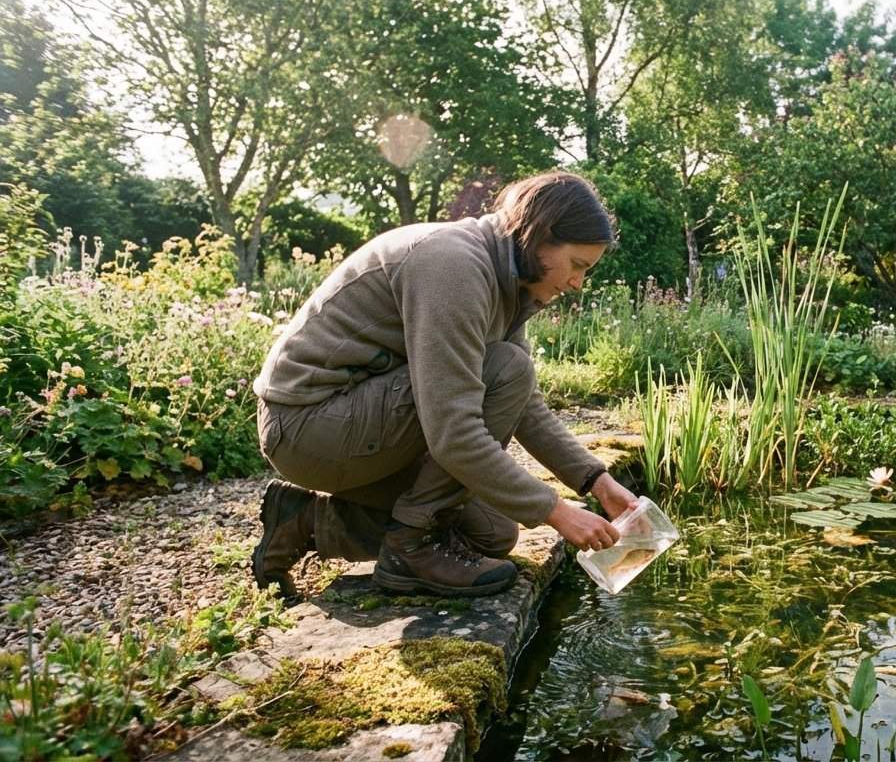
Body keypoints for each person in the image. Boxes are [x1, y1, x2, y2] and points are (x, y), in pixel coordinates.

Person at [250, 171, 638, 599]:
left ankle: (303, 521)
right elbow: (454, 431)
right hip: (309, 426)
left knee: (492, 533)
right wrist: (557, 512)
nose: (577, 284)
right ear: (540, 236)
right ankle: (410, 547)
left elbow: (525, 406)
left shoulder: (509, 283)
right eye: (578, 265)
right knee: (507, 370)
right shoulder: (454, 266)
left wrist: (597, 483)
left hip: (355, 425)